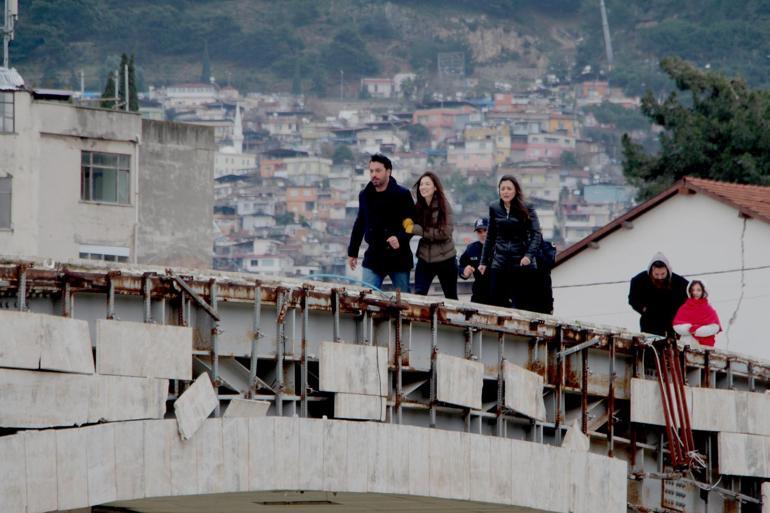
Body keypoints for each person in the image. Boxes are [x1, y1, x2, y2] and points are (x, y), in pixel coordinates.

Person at [347, 154, 416, 292]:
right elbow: (360, 223)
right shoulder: (365, 195)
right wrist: (352, 252)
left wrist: (400, 238)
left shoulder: (402, 194)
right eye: (371, 171)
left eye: (378, 171)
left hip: (398, 255)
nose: (374, 174)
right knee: (366, 297)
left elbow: (411, 223)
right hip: (374, 255)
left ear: (388, 171)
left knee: (404, 301)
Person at [478, 175, 542, 310]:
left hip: (521, 262)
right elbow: (490, 236)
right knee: (496, 302)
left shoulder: (527, 207)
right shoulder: (494, 207)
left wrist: (528, 256)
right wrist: (483, 262)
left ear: (515, 191)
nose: (505, 192)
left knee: (522, 304)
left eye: (509, 189)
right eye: (502, 189)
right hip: (500, 261)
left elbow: (536, 234)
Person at [404, 172, 458, 299]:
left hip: (446, 258)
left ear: (435, 187)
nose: (423, 187)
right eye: (421, 184)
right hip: (425, 258)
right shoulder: (419, 206)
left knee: (451, 298)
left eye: (427, 184)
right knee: (419, 296)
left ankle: (448, 320)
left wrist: (417, 230)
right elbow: (410, 225)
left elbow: (445, 232)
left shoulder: (444, 205)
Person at [628, 253, 689, 337]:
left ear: (668, 270)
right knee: (651, 348)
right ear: (651, 270)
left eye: (663, 274)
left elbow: (689, 301)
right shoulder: (639, 281)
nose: (660, 277)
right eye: (656, 274)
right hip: (650, 324)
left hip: (673, 326)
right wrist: (643, 309)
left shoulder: (680, 283)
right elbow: (633, 299)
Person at [673, 280, 721, 348]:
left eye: (698, 290)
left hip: (704, 347)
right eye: (693, 290)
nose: (695, 293)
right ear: (689, 291)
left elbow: (715, 327)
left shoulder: (709, 309)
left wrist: (697, 330)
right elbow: (676, 326)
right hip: (686, 344)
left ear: (703, 291)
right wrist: (689, 329)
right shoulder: (684, 308)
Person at [458, 217, 492, 305]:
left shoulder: (501, 247)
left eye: (485, 230)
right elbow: (461, 267)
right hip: (479, 296)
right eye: (479, 232)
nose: (483, 234)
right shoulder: (471, 249)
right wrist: (464, 272)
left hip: (501, 295)